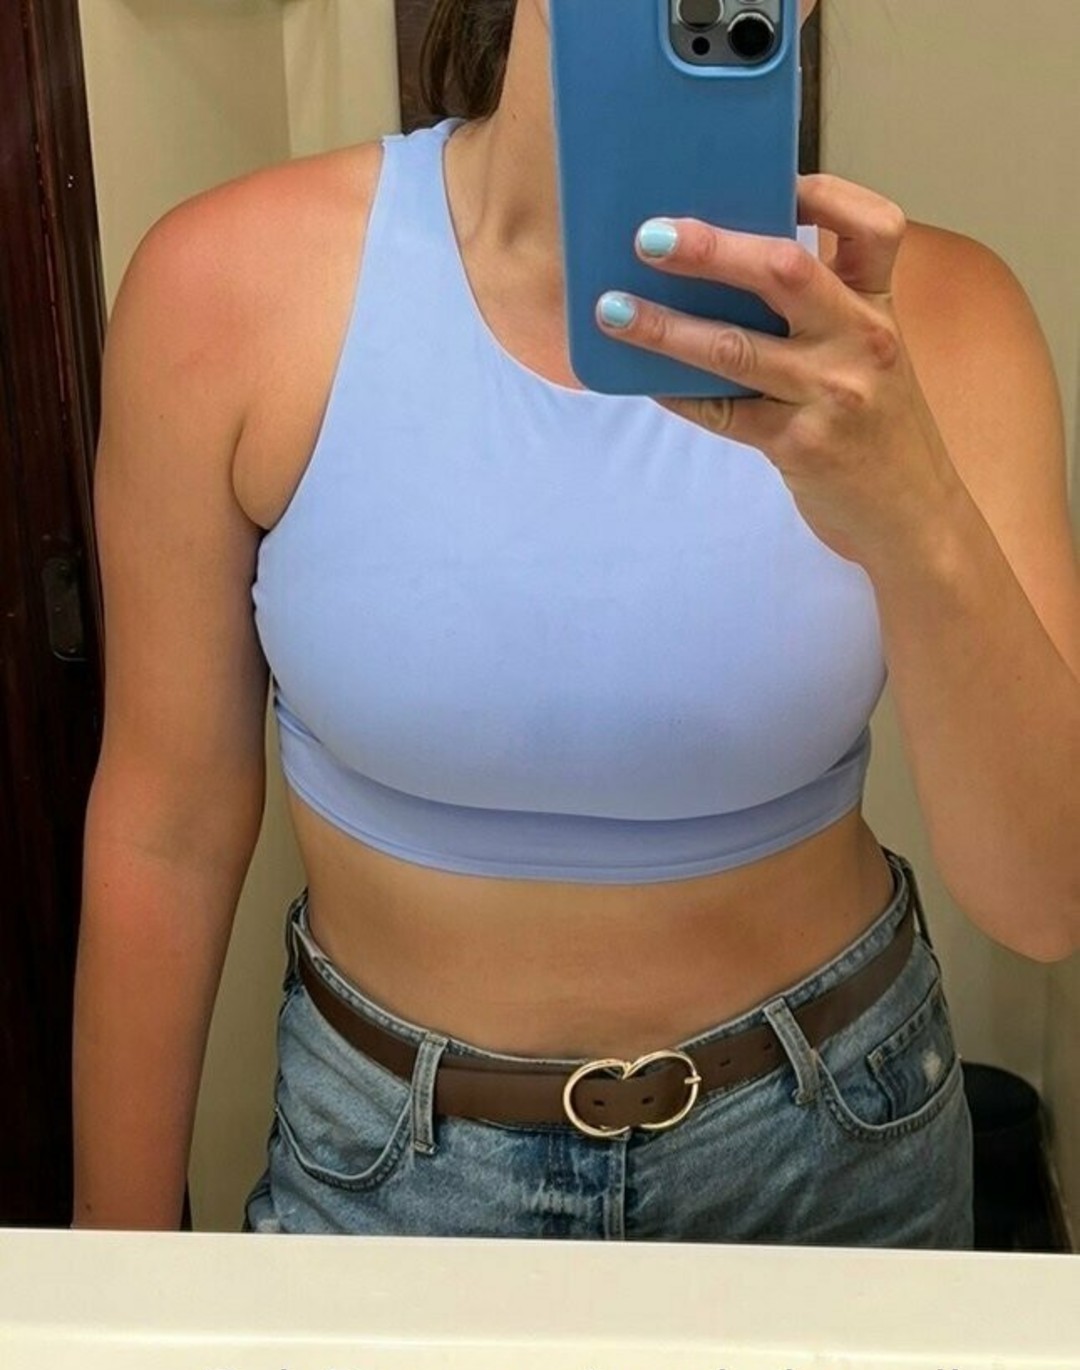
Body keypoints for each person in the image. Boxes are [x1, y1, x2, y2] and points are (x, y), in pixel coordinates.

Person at [72, 0, 1079, 1244]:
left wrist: (910, 501)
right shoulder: (225, 287)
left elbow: (1046, 897)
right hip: (385, 1163)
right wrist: (109, 1278)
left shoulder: (937, 324)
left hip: (831, 1139)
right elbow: (164, 830)